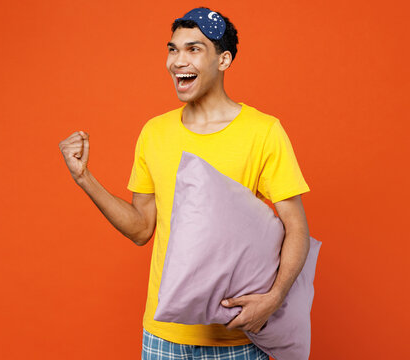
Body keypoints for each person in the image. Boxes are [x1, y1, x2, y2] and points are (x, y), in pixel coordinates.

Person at [59, 6, 311, 360]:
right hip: (163, 338)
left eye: (194, 49)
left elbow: (296, 227)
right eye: (173, 49)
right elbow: (141, 228)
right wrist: (85, 178)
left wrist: (273, 299)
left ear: (223, 60)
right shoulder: (154, 132)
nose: (177, 61)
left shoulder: (263, 132)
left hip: (235, 341)